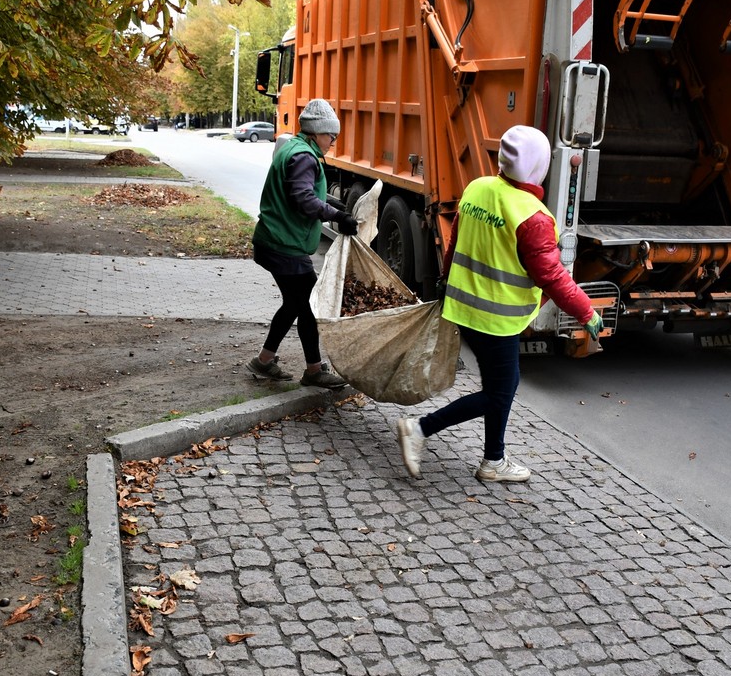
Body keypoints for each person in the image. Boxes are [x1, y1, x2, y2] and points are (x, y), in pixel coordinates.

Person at [396, 125, 603, 482]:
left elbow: (454, 244)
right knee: (499, 393)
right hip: (496, 319)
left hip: (463, 308)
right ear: (539, 166)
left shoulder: (477, 188)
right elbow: (552, 277)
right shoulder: (533, 216)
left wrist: (446, 285)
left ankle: (493, 460)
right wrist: (587, 312)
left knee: (502, 386)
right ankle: (420, 429)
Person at [248, 99, 358, 389]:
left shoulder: (295, 149)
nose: (333, 141)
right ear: (315, 133)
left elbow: (300, 191)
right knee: (308, 305)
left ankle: (263, 361)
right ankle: (313, 371)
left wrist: (333, 202)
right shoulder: (305, 156)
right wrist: (337, 216)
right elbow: (302, 199)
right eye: (330, 135)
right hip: (284, 245)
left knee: (294, 304)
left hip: (276, 241)